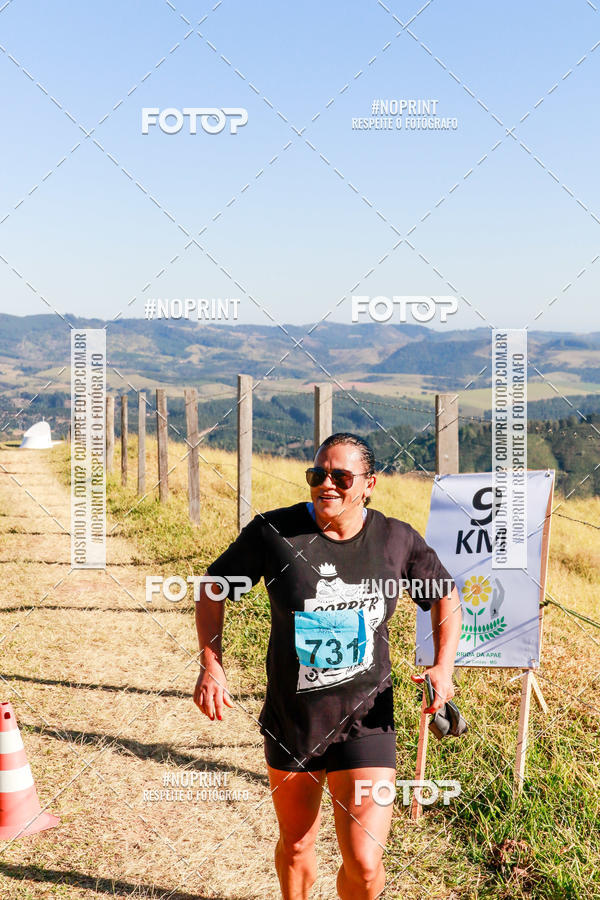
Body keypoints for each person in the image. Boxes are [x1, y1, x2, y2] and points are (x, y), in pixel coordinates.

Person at [193, 432, 462, 900]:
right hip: (293, 721)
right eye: (318, 474)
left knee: (364, 862)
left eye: (341, 476)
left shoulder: (394, 539)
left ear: (369, 483)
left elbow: (445, 595)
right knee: (298, 846)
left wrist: (444, 665)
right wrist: (211, 664)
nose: (327, 485)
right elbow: (212, 587)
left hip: (367, 721)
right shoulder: (274, 533)